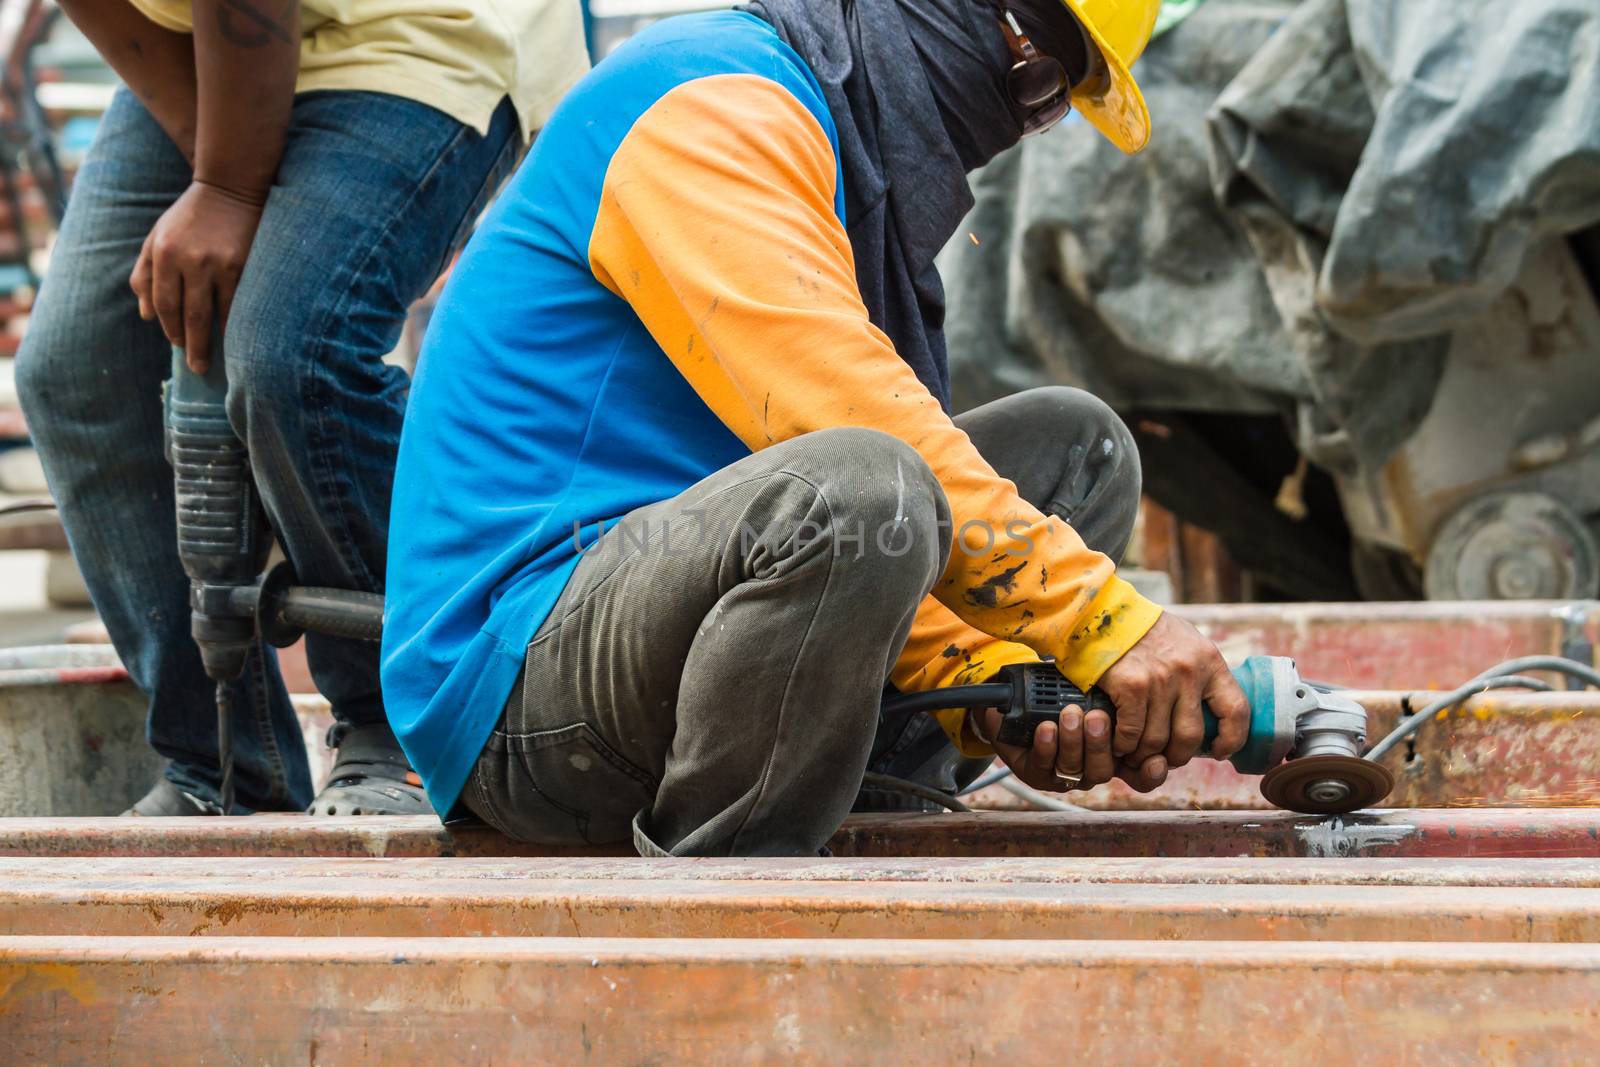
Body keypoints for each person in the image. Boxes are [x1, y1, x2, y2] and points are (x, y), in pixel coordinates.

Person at [383, 0, 1252, 857]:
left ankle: (872, 789)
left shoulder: (841, 154)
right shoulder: (710, 101)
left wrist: (989, 680)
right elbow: (847, 426)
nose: (1021, 122)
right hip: (524, 683)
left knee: (1074, 449)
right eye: (1032, 76)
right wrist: (1104, 621)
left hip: (706, 599)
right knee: (868, 485)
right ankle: (736, 885)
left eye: (1054, 101)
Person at [16, 0, 587, 816]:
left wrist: (226, 187)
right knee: (79, 367)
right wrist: (211, 159)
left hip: (413, 26)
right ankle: (222, 765)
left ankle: (405, 730)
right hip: (204, 39)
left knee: (292, 349)